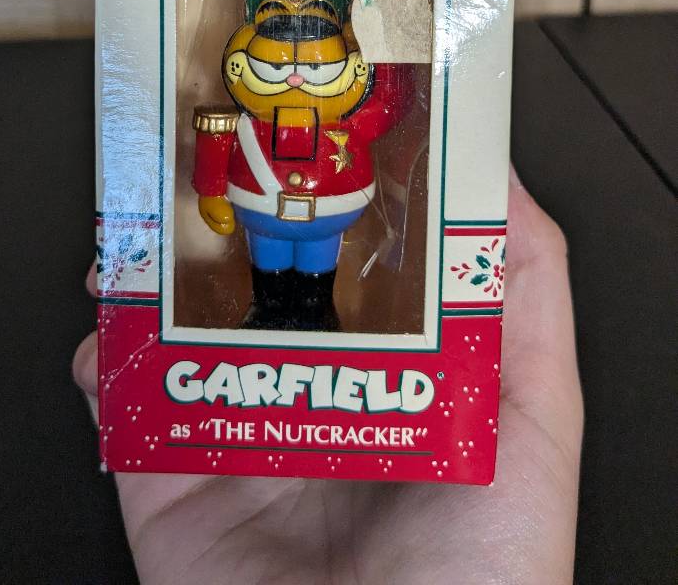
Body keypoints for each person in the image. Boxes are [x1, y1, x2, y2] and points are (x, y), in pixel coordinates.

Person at [73, 167, 583, 584]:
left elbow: (380, 110)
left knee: (316, 272)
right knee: (270, 270)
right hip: (261, 203)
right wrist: (209, 188)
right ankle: (272, 315)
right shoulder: (251, 121)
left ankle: (314, 315)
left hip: (328, 206)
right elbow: (216, 147)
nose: (296, 80)